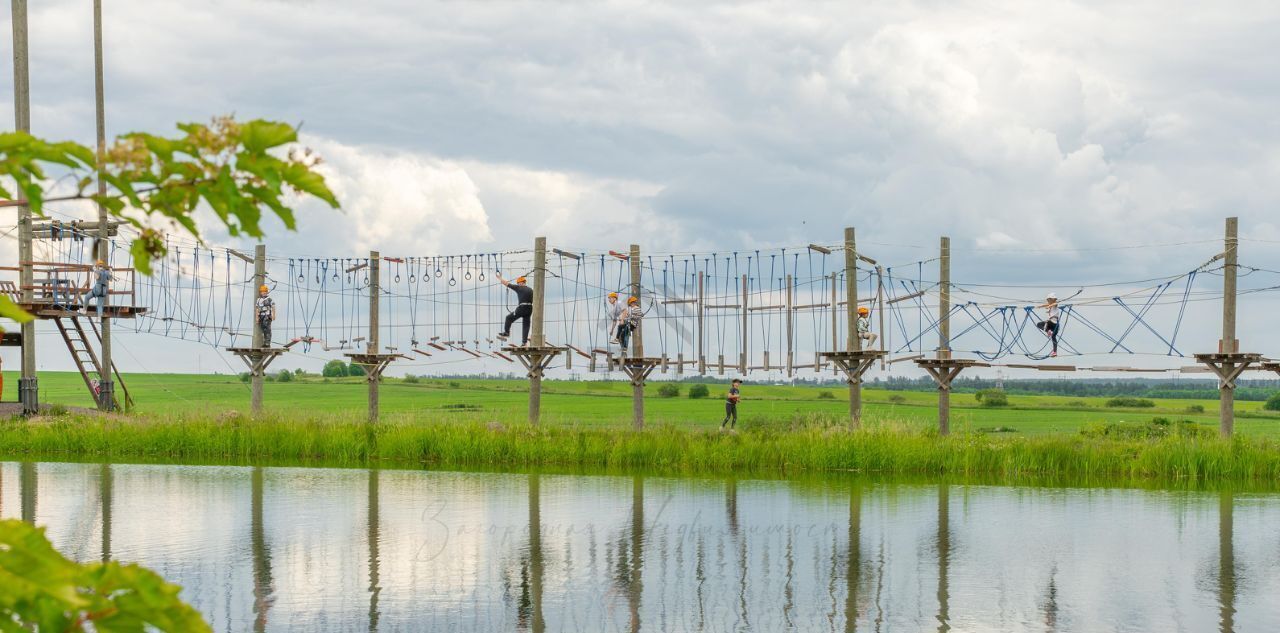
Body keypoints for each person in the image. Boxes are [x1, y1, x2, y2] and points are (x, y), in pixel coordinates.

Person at [496, 273, 533, 346]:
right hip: (529, 309)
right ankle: (524, 342)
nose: (518, 284)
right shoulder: (530, 290)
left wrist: (500, 278)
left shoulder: (519, 288)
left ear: (521, 283)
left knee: (509, 318)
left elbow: (506, 283)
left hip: (522, 308)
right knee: (526, 325)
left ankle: (506, 333)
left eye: (518, 283)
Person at [1035, 292, 1060, 357]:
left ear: (1052, 299)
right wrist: (1040, 306)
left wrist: (1049, 306)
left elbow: (1055, 303)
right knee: (1053, 337)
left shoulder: (1055, 305)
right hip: (1055, 325)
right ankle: (1055, 352)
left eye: (1049, 300)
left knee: (1039, 324)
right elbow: (1046, 305)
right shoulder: (1051, 306)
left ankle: (1048, 330)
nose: (1048, 301)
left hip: (1052, 323)